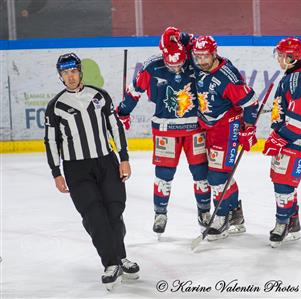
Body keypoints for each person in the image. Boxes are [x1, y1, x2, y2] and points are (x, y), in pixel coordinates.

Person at [44, 53, 139, 291]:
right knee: (94, 215)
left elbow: (115, 127)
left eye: (74, 71)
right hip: (77, 169)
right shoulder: (55, 106)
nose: (71, 76)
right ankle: (110, 264)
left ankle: (121, 257)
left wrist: (124, 158)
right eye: (65, 73)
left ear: (80, 72)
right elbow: (51, 141)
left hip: (106, 162)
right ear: (60, 76)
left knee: (114, 210)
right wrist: (56, 172)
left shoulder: (99, 96)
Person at [116, 27, 211, 236]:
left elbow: (213, 66)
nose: (176, 67)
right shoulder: (152, 67)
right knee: (164, 175)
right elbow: (134, 91)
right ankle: (160, 213)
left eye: (179, 62)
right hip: (165, 129)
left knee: (201, 173)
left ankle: (204, 212)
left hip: (195, 128)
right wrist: (123, 112)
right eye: (171, 63)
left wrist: (189, 38)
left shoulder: (194, 60)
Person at [190, 35, 260, 241]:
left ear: (214, 54)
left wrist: (248, 129)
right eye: (198, 56)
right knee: (222, 175)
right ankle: (236, 215)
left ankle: (221, 219)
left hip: (227, 129)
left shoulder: (228, 77)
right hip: (208, 128)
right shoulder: (200, 70)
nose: (201, 61)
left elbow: (251, 102)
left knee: (218, 177)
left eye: (205, 56)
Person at [262, 37, 301, 247]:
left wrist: (280, 137)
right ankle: (293, 224)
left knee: (283, 184)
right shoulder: (300, 72)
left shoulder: (296, 80)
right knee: (283, 181)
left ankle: (282, 224)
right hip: (292, 138)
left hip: (295, 140)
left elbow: (299, 119)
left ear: (292, 57)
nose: (279, 58)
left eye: (283, 55)